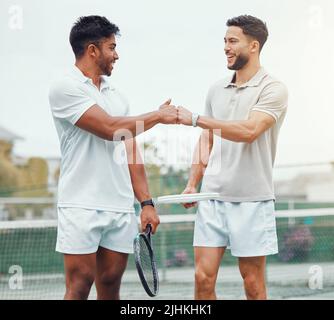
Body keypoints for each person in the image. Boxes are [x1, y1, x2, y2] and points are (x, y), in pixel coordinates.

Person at [48, 15, 178, 300]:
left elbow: (130, 149)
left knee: (110, 285)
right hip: (80, 205)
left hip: (119, 207)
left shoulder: (118, 96)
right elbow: (109, 129)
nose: (116, 55)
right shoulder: (64, 88)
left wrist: (146, 203)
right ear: (92, 50)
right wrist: (158, 116)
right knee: (80, 285)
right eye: (111, 47)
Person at [177, 15, 288, 300]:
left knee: (252, 284)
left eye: (232, 41)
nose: (226, 47)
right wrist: (193, 183)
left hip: (252, 200)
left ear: (254, 46)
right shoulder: (215, 89)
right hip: (212, 199)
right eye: (224, 41)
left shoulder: (273, 89)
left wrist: (196, 119)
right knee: (202, 279)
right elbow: (207, 139)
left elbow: (249, 130)